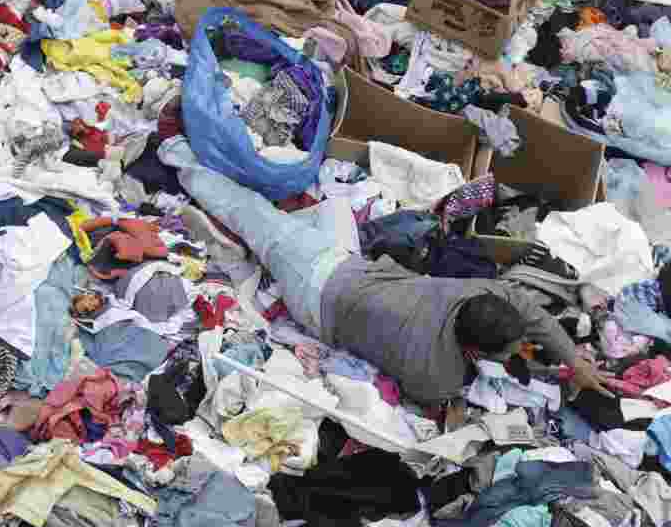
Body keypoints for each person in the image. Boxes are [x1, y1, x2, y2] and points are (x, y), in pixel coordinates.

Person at [163, 139, 612, 404]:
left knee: (288, 220)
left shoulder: (470, 293)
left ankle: (245, 248)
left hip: (333, 277)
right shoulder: (440, 380)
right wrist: (569, 365)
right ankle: (183, 164)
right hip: (320, 291)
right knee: (257, 213)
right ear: (474, 351)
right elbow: (525, 321)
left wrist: (572, 360)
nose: (520, 346)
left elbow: (526, 313)